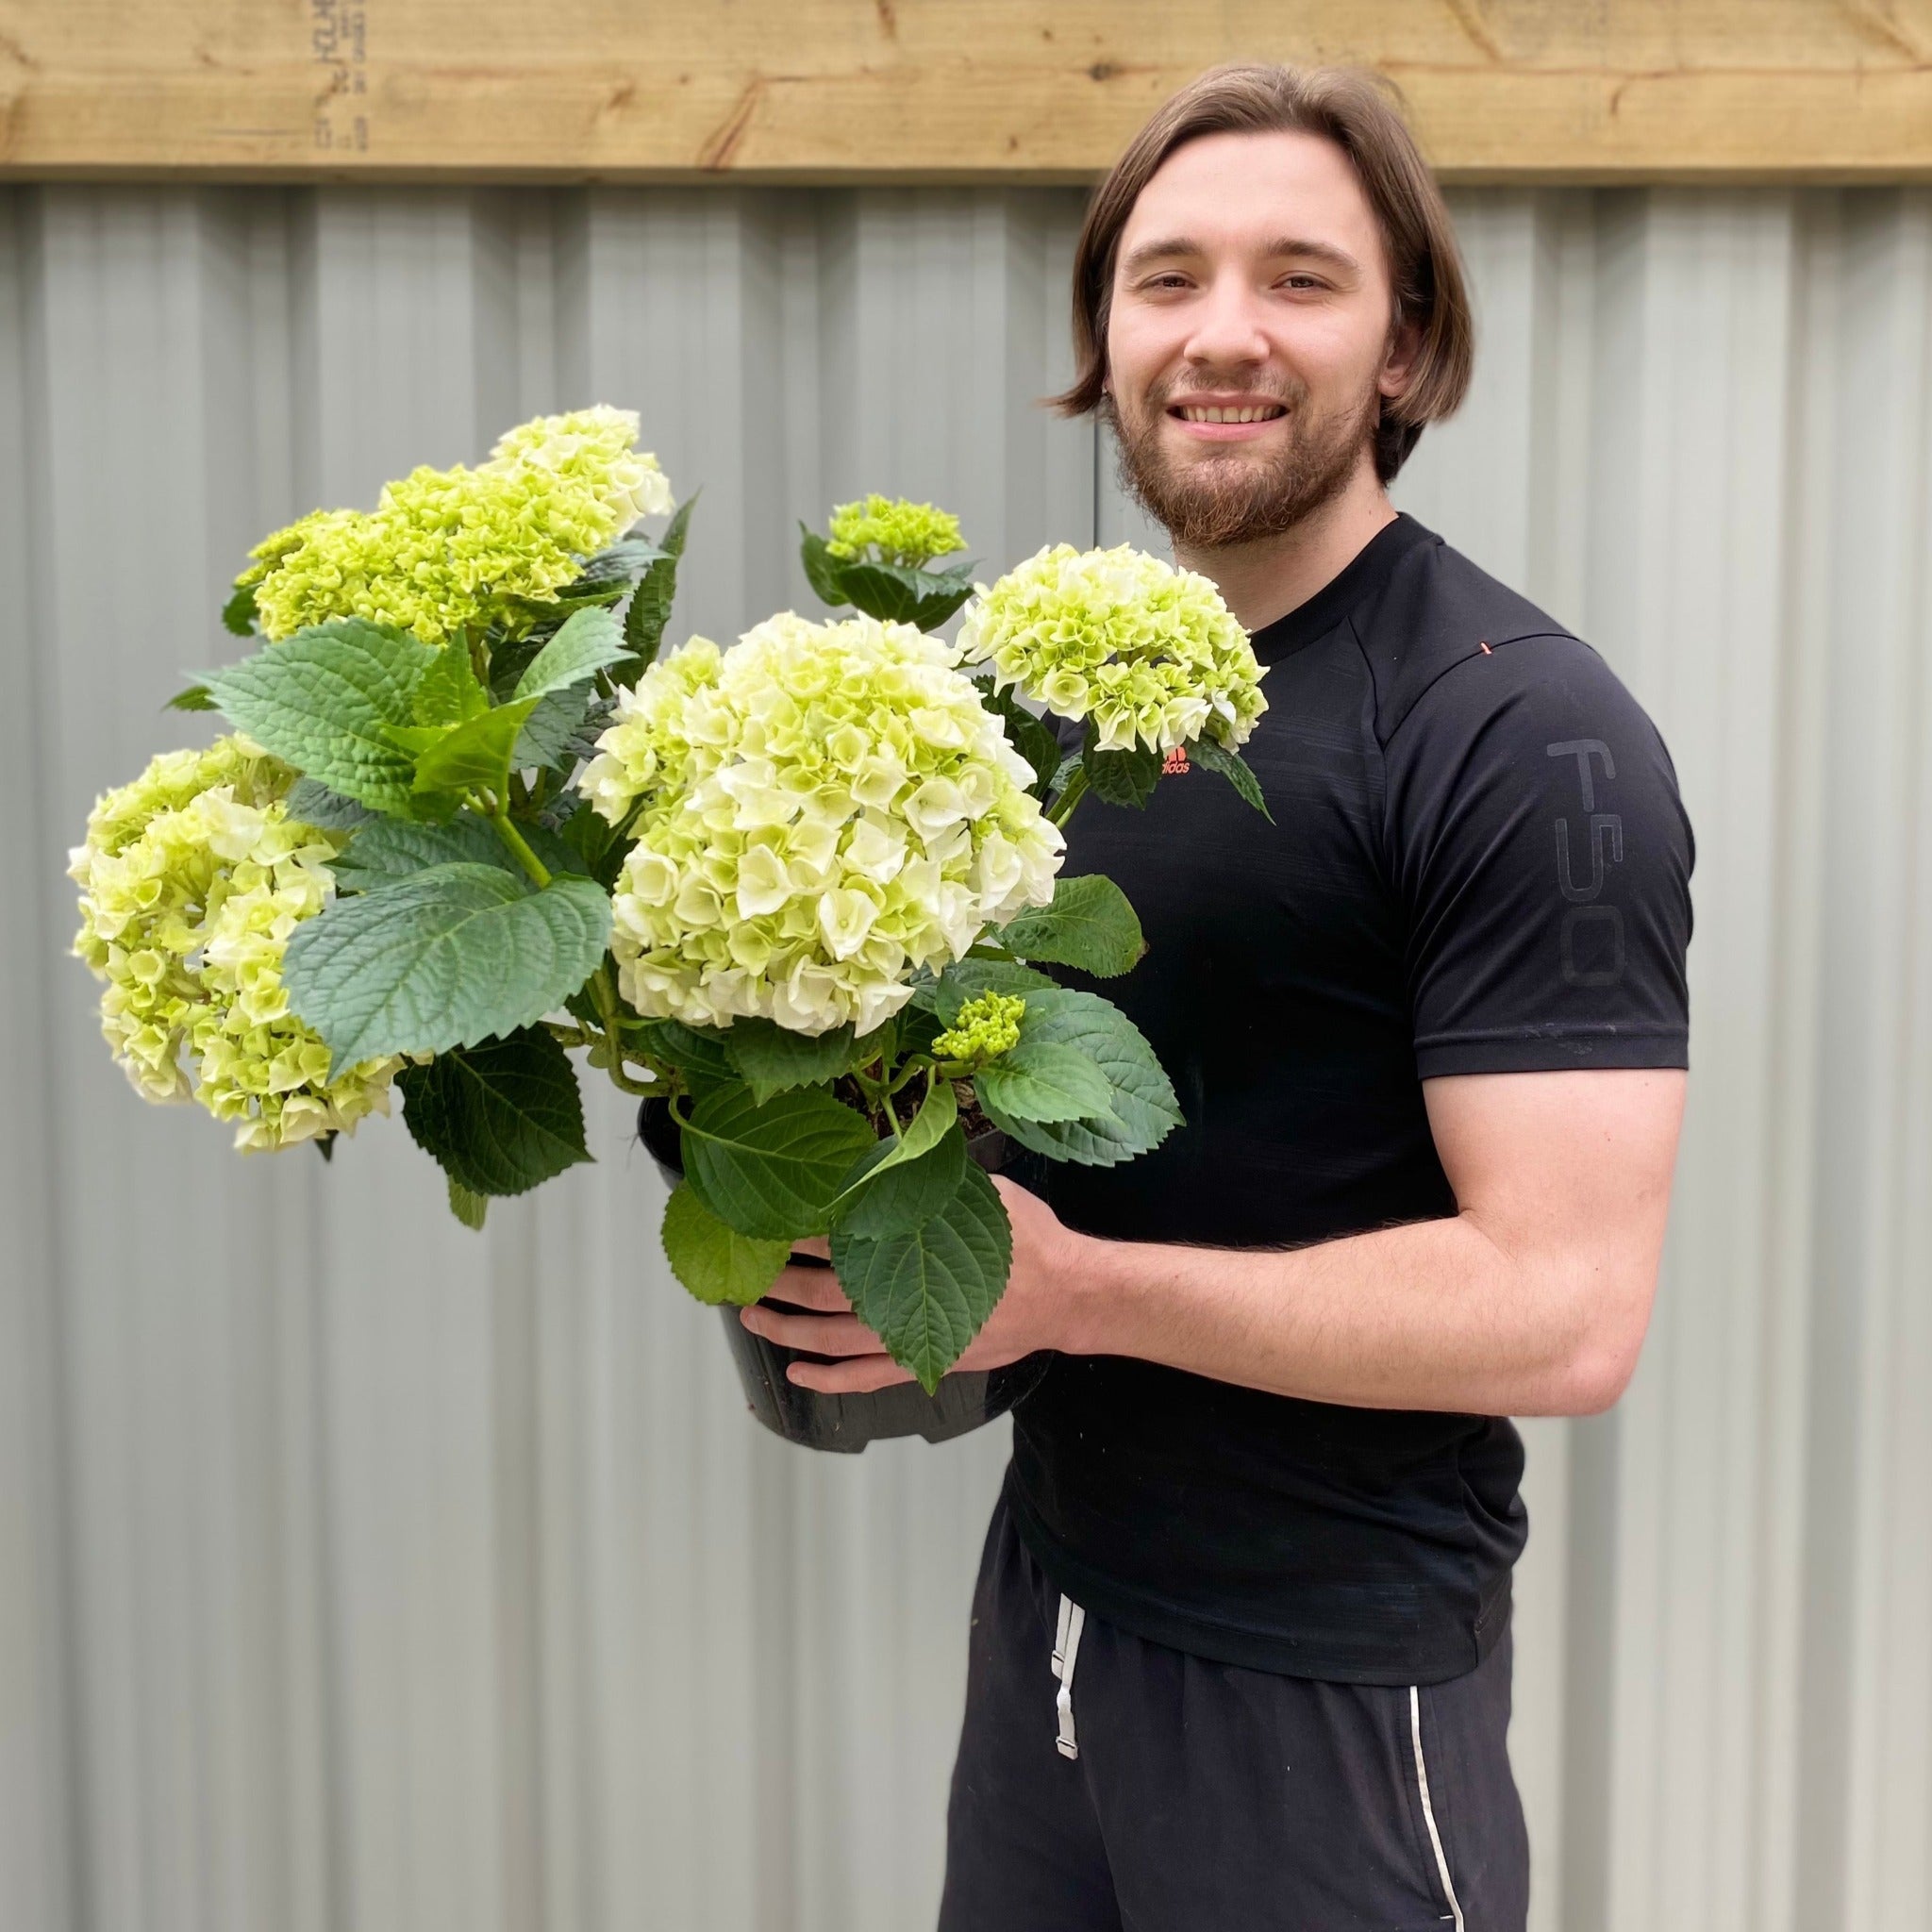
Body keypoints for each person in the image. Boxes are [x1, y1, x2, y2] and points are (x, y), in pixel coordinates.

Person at [747, 62, 1693, 1931]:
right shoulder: (1072, 713)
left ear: (1405, 346)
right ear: (1104, 340)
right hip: (1055, 1609)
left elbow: (1567, 1310)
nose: (1222, 333)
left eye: (1300, 278)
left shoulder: (1516, 730)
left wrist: (1077, 1290)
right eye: (1166, 278)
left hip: (1324, 1686)